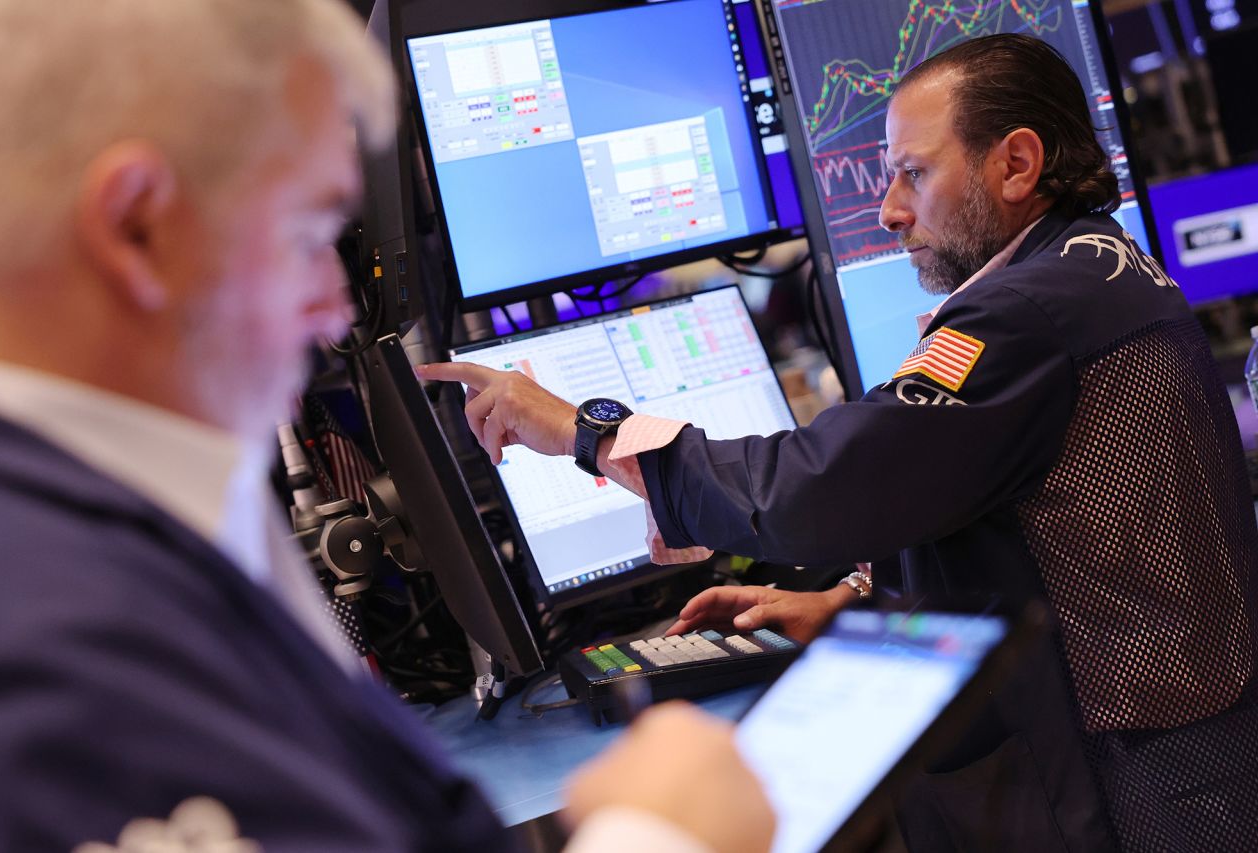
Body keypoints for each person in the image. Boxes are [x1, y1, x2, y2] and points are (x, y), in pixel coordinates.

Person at [422, 34, 1258, 852]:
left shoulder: (1026, 314)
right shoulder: (1101, 264)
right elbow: (1020, 514)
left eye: (914, 173)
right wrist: (854, 601)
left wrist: (586, 430)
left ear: (1016, 163)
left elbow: (814, 494)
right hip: (1174, 749)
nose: (891, 208)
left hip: (1120, 780)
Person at [0, 2, 775, 851]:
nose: (333, 307)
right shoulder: (49, 633)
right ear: (138, 225)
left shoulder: (153, 520)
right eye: (311, 232)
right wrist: (658, 834)